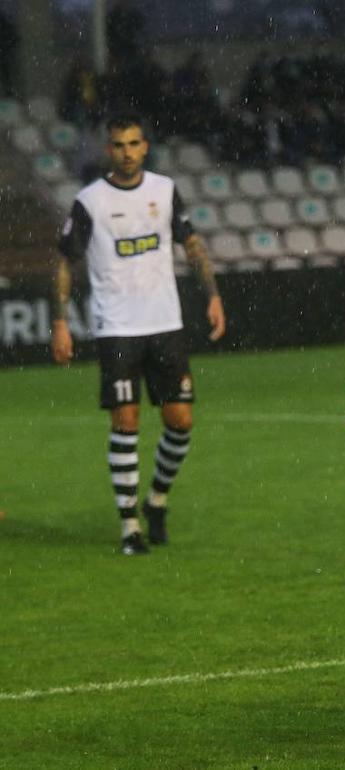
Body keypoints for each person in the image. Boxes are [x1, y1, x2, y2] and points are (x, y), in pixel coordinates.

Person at [51, 113, 226, 555]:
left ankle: (157, 500)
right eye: (119, 145)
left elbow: (191, 244)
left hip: (164, 323)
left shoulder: (164, 190)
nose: (127, 152)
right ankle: (130, 526)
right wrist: (60, 322)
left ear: (145, 146)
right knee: (125, 422)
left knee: (180, 422)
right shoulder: (90, 201)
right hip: (117, 328)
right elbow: (65, 261)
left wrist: (212, 295)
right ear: (108, 150)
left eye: (133, 144)